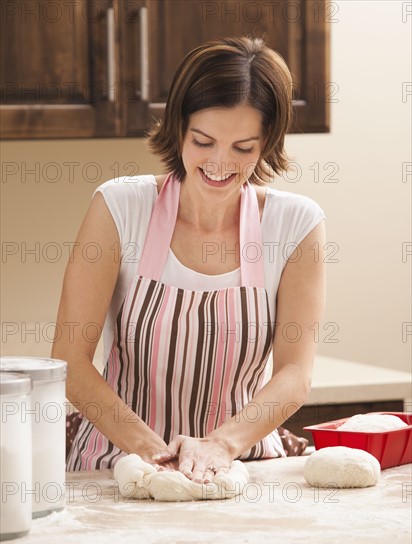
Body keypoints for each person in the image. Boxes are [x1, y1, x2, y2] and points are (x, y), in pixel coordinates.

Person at [53, 36, 326, 482]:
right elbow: (70, 359)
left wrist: (220, 446)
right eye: (203, 141)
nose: (220, 163)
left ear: (267, 143)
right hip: (119, 465)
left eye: (243, 148)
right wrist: (154, 454)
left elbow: (295, 371)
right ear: (179, 127)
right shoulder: (121, 208)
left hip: (243, 466)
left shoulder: (295, 224)